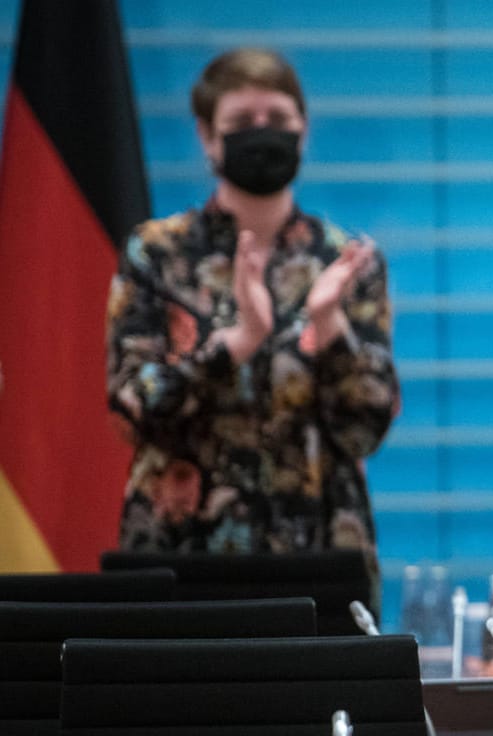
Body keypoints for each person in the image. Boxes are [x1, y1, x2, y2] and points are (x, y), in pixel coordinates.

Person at [105, 48, 398, 602]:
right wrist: (237, 344)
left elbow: (366, 428)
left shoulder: (347, 261)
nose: (261, 136)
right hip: (180, 552)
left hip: (318, 547)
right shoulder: (156, 254)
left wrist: (329, 324)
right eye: (241, 123)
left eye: (278, 122)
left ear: (303, 132)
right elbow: (132, 410)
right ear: (207, 136)